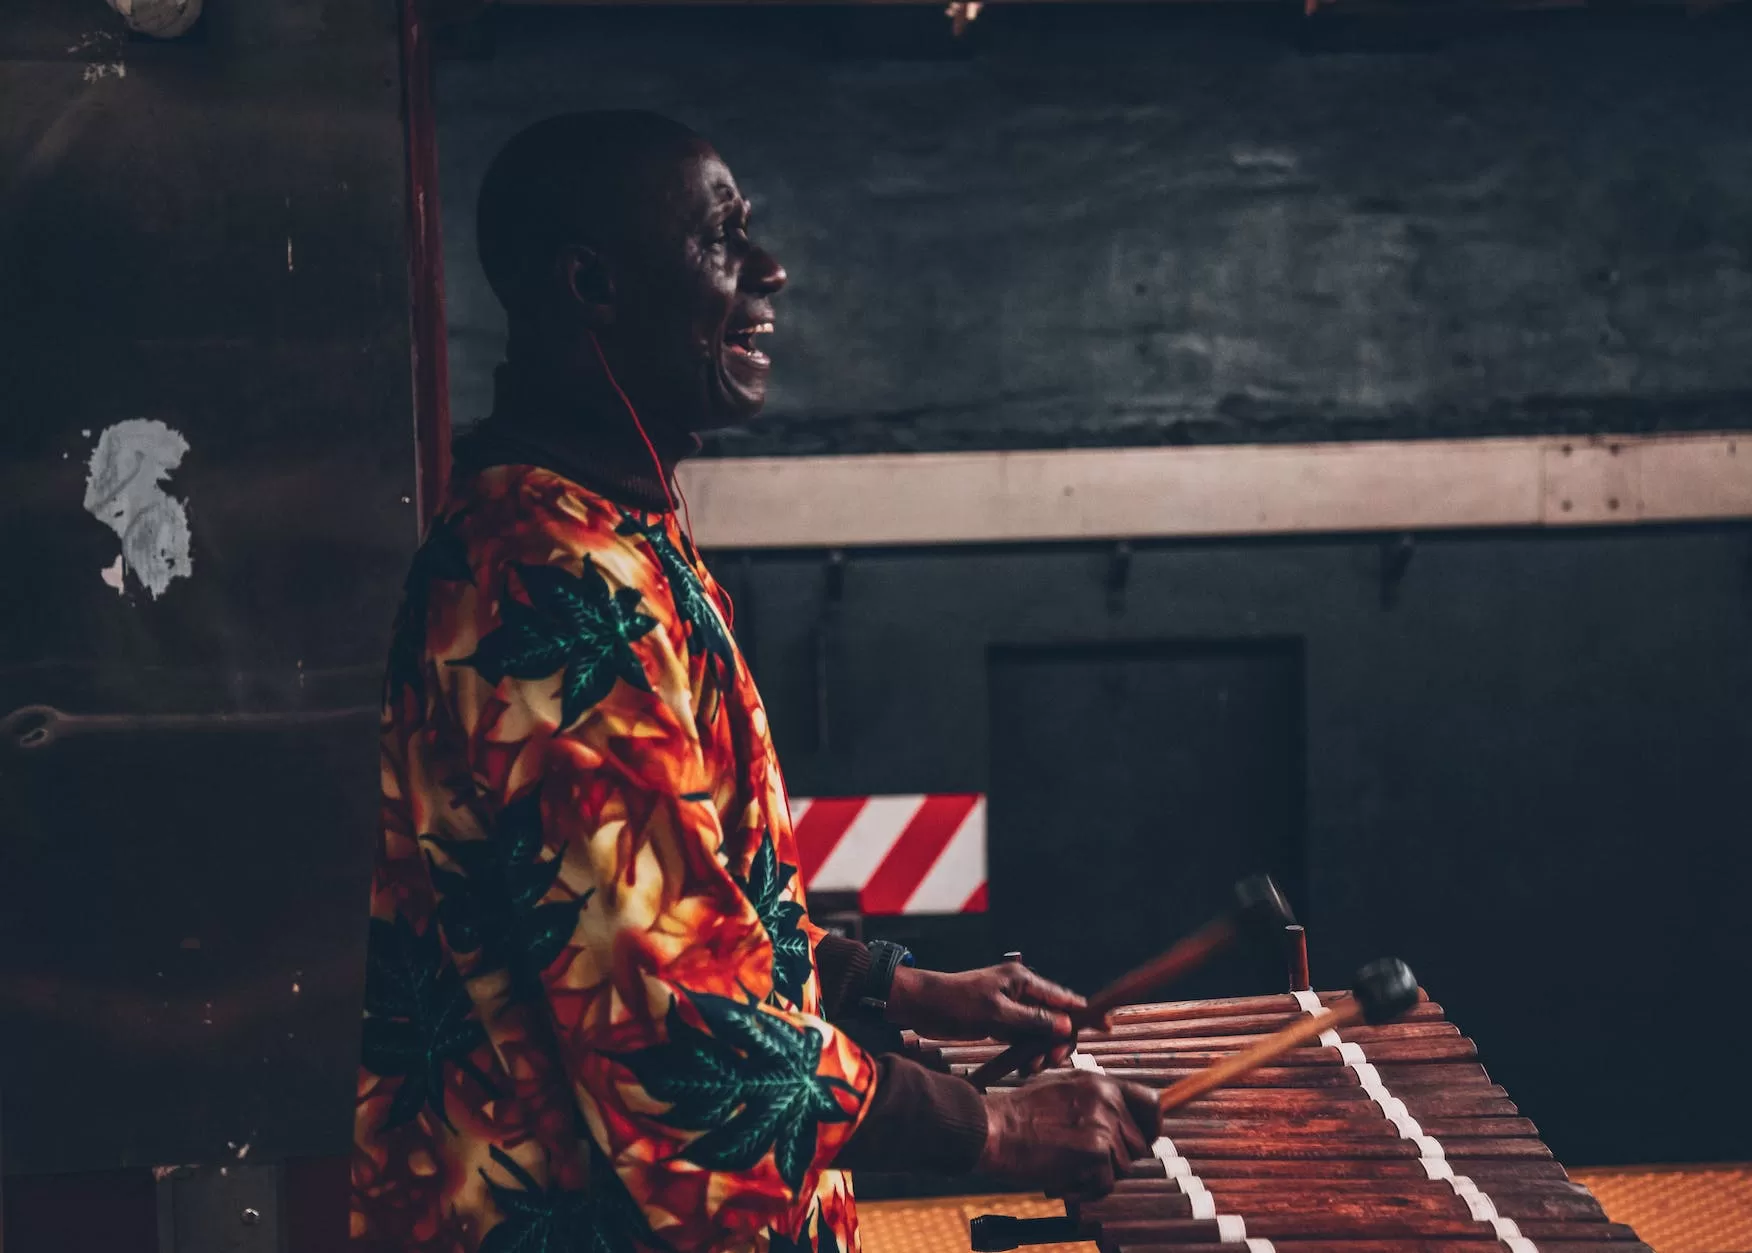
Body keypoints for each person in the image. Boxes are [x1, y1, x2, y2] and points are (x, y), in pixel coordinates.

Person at [352, 110, 1160, 1253]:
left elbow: (673, 901)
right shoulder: (545, 584)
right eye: (722, 237)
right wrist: (994, 1125)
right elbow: (666, 1017)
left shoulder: (613, 537)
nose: (768, 270)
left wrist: (889, 988)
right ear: (593, 284)